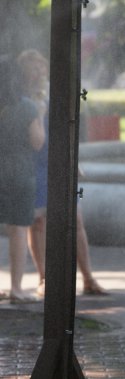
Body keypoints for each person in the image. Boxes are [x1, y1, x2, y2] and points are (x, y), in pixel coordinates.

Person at [17, 49, 107, 298]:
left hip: (56, 161)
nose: (38, 72)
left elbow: (66, 129)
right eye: (32, 68)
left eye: (41, 67)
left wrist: (72, 160)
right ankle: (44, 278)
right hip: (33, 163)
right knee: (37, 223)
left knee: (75, 220)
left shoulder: (54, 94)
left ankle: (88, 278)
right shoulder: (19, 98)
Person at [0, 56, 45, 303]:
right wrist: (39, 116)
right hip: (19, 173)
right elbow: (37, 142)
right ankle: (16, 288)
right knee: (17, 230)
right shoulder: (27, 107)